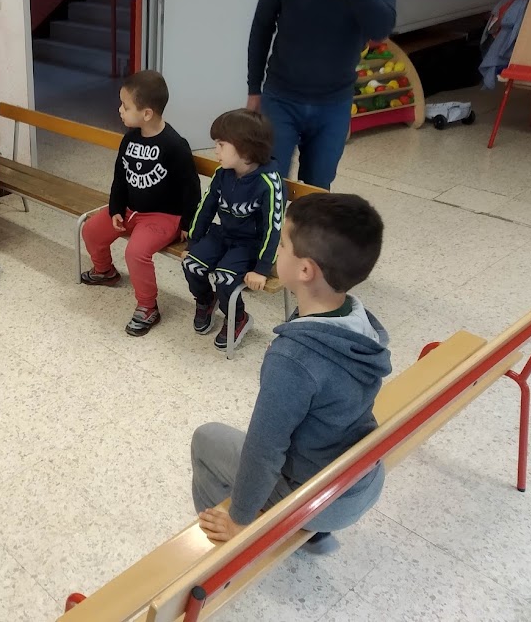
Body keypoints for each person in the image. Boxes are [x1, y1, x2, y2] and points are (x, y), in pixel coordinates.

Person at [191, 193, 388, 554]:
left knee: (206, 439)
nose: (275, 250)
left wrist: (239, 520)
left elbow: (264, 449)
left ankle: (224, 555)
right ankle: (314, 537)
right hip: (360, 479)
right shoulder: (359, 321)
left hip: (318, 499)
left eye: (282, 244)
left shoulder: (292, 359)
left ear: (305, 271)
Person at [246, 0, 397, 189]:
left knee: (317, 188)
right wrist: (254, 89)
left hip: (334, 102)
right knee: (269, 183)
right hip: (281, 97)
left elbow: (380, 28)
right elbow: (261, 27)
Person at [80, 70, 200, 336]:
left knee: (135, 253)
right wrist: (115, 208)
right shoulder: (130, 138)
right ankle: (105, 271)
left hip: (162, 216)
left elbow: (191, 188)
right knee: (90, 230)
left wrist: (188, 224)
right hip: (129, 210)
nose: (119, 110)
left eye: (125, 106)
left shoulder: (175, 145)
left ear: (146, 113)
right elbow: (120, 177)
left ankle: (148, 307)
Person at [184, 110, 283, 351]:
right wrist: (193, 243)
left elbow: (273, 228)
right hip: (223, 235)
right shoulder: (222, 174)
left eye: (221, 145)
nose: (215, 151)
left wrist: (262, 269)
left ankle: (238, 317)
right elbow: (205, 208)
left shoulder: (269, 183)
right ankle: (206, 300)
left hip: (250, 245)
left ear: (246, 151)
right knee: (191, 265)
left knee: (225, 279)